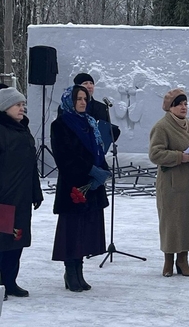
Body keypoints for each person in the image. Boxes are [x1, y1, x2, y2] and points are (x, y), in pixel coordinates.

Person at [50, 85, 111, 292]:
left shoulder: (90, 123)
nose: (83, 102)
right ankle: (70, 270)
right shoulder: (60, 125)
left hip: (91, 187)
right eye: (78, 99)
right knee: (73, 230)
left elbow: (99, 150)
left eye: (85, 98)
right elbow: (64, 157)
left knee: (86, 230)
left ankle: (80, 270)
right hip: (73, 185)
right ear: (70, 101)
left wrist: (102, 171)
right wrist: (90, 170)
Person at [149, 88, 189, 278]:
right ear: (170, 107)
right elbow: (155, 154)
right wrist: (179, 156)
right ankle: (168, 260)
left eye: (185, 103)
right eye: (179, 103)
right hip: (171, 184)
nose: (183, 107)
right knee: (171, 222)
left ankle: (183, 260)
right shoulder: (162, 127)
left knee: (188, 221)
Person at [0, 87, 44, 301]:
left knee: (17, 240)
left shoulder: (23, 130)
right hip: (4, 199)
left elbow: (31, 166)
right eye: (17, 104)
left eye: (23, 104)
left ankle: (10, 281)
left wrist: (36, 192)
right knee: (2, 241)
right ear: (4, 107)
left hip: (22, 198)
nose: (22, 108)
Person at [60, 73, 121, 142]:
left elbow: (104, 131)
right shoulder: (68, 107)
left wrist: (111, 133)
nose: (89, 86)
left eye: (91, 83)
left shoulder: (102, 108)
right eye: (85, 83)